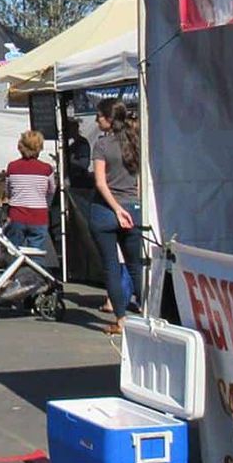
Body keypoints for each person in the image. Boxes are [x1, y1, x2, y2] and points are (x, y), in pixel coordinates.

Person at [89, 99, 143, 336]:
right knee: (135, 264)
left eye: (99, 116)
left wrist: (116, 208)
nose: (96, 120)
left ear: (108, 119)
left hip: (105, 210)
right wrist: (129, 207)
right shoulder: (135, 141)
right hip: (134, 207)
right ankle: (143, 310)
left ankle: (121, 319)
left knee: (111, 266)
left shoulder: (102, 145)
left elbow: (100, 182)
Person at [4, 130, 56, 252]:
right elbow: (51, 191)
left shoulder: (12, 167)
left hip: (17, 214)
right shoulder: (46, 169)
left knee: (14, 252)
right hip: (39, 215)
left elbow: (8, 191)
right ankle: (33, 270)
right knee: (36, 253)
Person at [65, 117, 93, 190]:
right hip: (73, 179)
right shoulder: (72, 145)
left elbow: (85, 164)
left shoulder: (82, 144)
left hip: (80, 182)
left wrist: (69, 160)